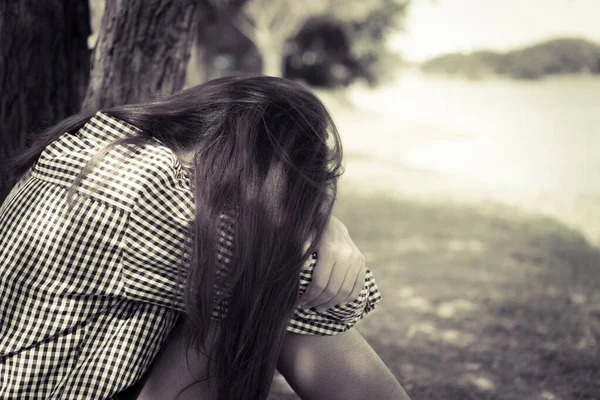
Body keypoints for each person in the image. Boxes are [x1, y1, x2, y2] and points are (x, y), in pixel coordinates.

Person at [0, 76, 410, 400]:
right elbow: (337, 299)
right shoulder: (143, 189)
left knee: (250, 282)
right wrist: (317, 240)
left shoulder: (100, 146)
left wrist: (326, 226)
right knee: (262, 282)